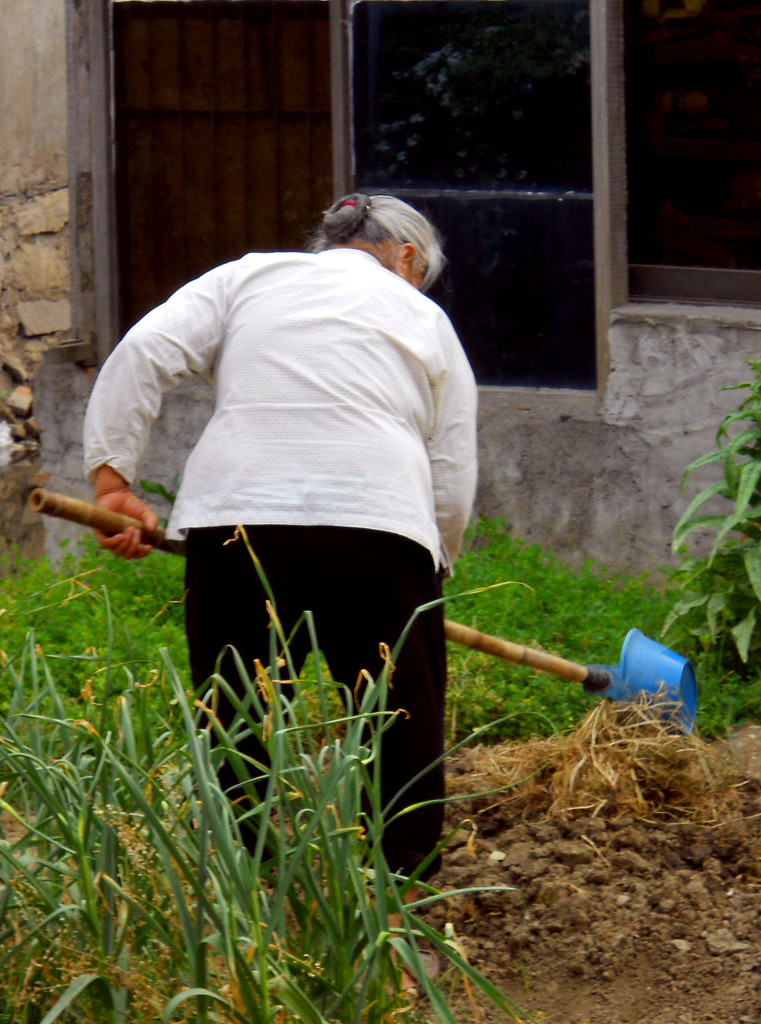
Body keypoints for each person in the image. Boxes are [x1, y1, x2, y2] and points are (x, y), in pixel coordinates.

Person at [83, 192, 478, 883]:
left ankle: (251, 889)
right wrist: (433, 563)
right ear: (406, 258)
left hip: (235, 521)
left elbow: (146, 348)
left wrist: (113, 483)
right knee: (400, 720)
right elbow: (451, 459)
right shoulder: (422, 314)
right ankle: (402, 896)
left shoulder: (246, 278)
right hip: (379, 524)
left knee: (238, 710)